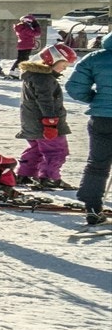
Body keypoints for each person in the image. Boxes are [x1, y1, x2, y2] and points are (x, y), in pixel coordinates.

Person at [65, 33, 111, 225]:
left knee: (97, 164)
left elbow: (75, 88)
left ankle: (92, 208)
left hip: (102, 118)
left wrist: (96, 99)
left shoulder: (96, 58)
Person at [17, 43, 76, 190]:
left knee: (36, 149)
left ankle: (26, 174)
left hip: (31, 122)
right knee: (56, 150)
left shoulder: (34, 76)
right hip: (45, 124)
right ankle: (49, 178)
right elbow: (45, 100)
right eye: (63, 64)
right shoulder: (43, 78)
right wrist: (51, 122)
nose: (65, 68)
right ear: (52, 60)